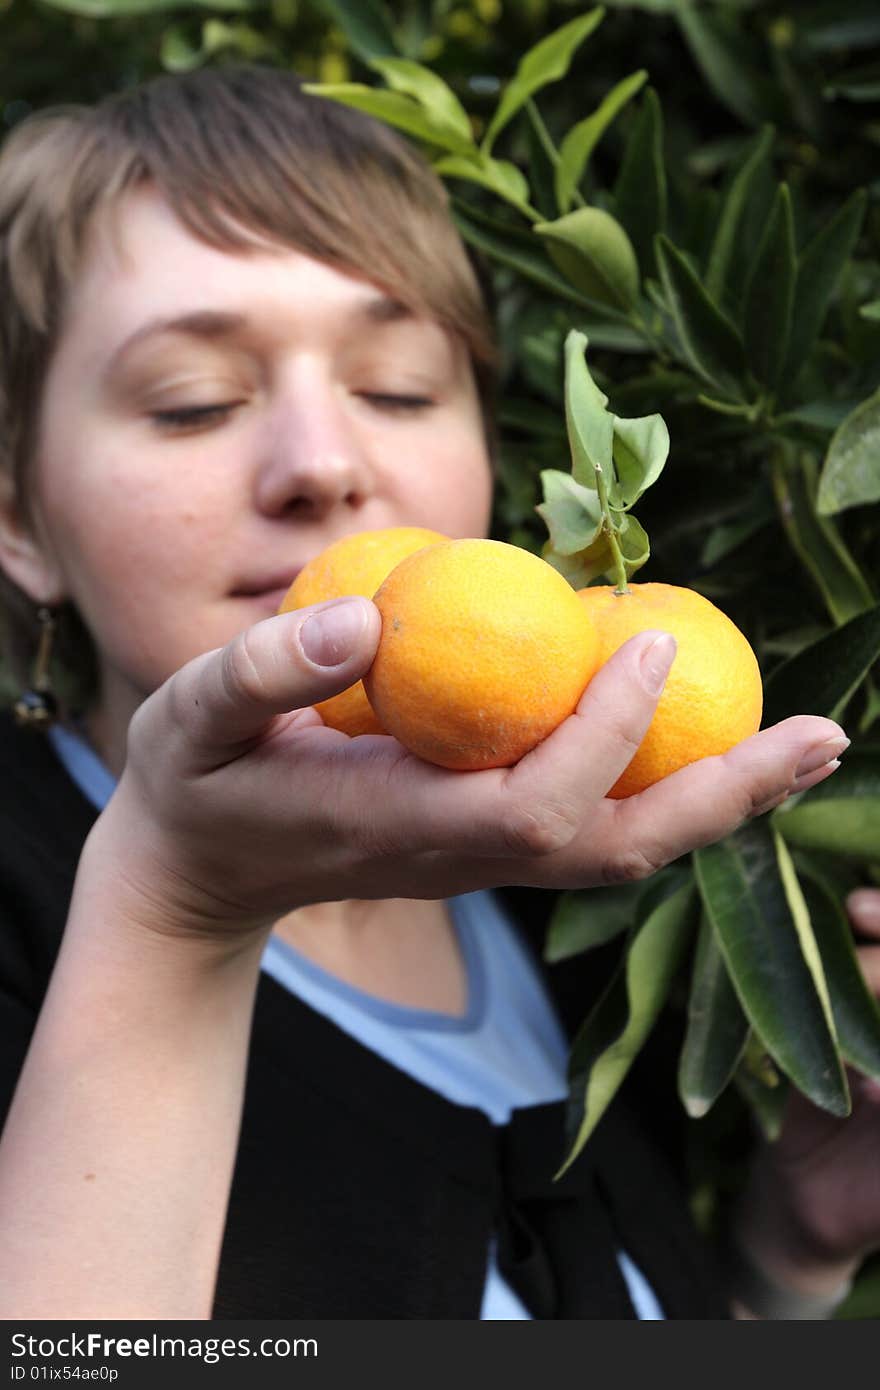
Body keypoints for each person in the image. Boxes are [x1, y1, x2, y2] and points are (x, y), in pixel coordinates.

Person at [0, 63, 877, 1322]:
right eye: (193, 403)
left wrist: (782, 1258)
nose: (325, 464)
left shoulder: (561, 906)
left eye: (398, 386)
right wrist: (178, 906)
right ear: (21, 518)